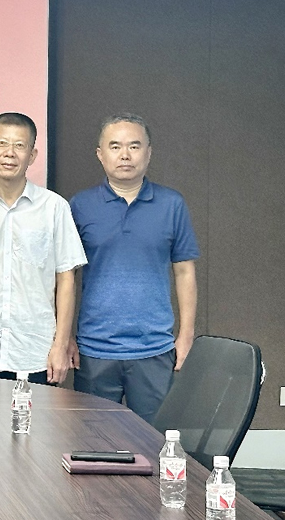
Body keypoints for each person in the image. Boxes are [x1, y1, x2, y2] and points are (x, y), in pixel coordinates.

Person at [69, 113, 199, 423]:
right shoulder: (79, 206)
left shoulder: (172, 205)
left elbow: (184, 272)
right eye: (115, 146)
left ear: (148, 153)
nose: (125, 155)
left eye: (134, 146)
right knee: (94, 440)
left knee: (154, 441)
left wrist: (186, 335)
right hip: (94, 350)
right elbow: (67, 278)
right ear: (100, 154)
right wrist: (65, 338)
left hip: (154, 349)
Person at [0, 112, 86, 384]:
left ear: (32, 155)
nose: (9, 153)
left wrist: (60, 346)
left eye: (19, 146)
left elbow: (66, 280)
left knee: (37, 415)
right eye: (2, 143)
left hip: (36, 353)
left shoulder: (54, 208)